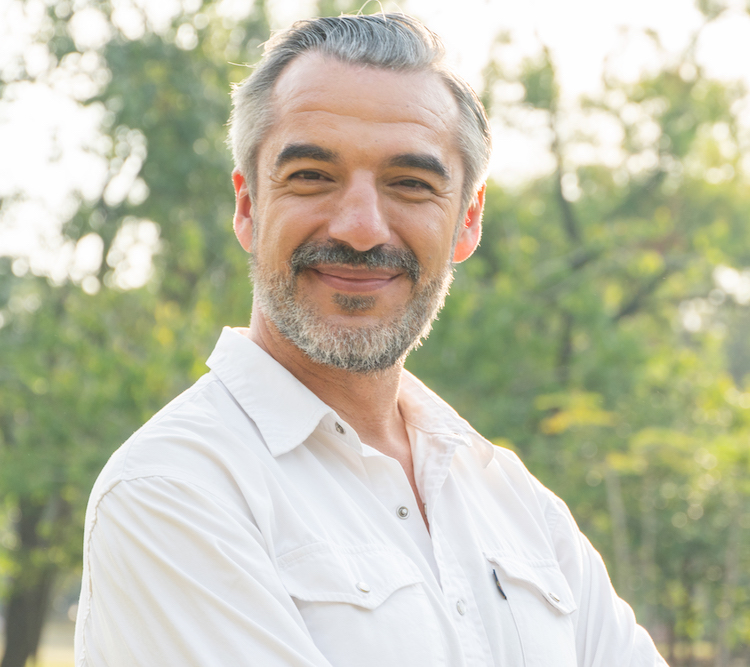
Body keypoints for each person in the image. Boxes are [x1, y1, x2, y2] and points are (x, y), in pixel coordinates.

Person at [75, 13, 668, 667]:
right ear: (247, 206)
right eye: (311, 176)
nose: (360, 229)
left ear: (467, 221)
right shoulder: (174, 490)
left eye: (410, 183)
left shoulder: (518, 504)